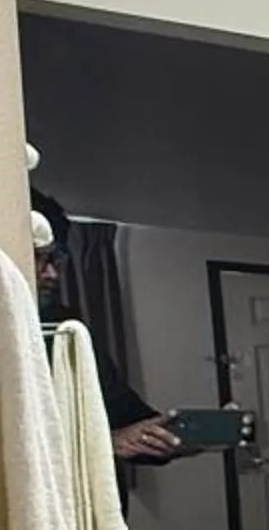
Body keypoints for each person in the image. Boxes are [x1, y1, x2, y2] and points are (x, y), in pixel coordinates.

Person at [30, 189, 179, 462]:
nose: (52, 274)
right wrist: (107, 443)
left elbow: (123, 412)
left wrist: (174, 434)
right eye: (40, 258)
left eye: (58, 259)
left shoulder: (69, 328)